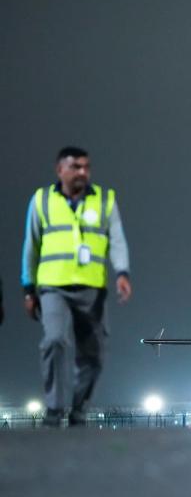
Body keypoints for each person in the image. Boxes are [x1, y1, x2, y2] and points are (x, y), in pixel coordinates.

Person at [21, 147, 132, 427]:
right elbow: (31, 246)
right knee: (55, 340)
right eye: (76, 167)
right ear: (60, 170)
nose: (82, 172)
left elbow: (116, 240)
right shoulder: (42, 200)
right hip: (53, 286)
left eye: (86, 167)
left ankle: (79, 410)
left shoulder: (105, 200)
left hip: (91, 287)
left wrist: (122, 273)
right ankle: (54, 410)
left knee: (93, 353)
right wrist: (28, 288)